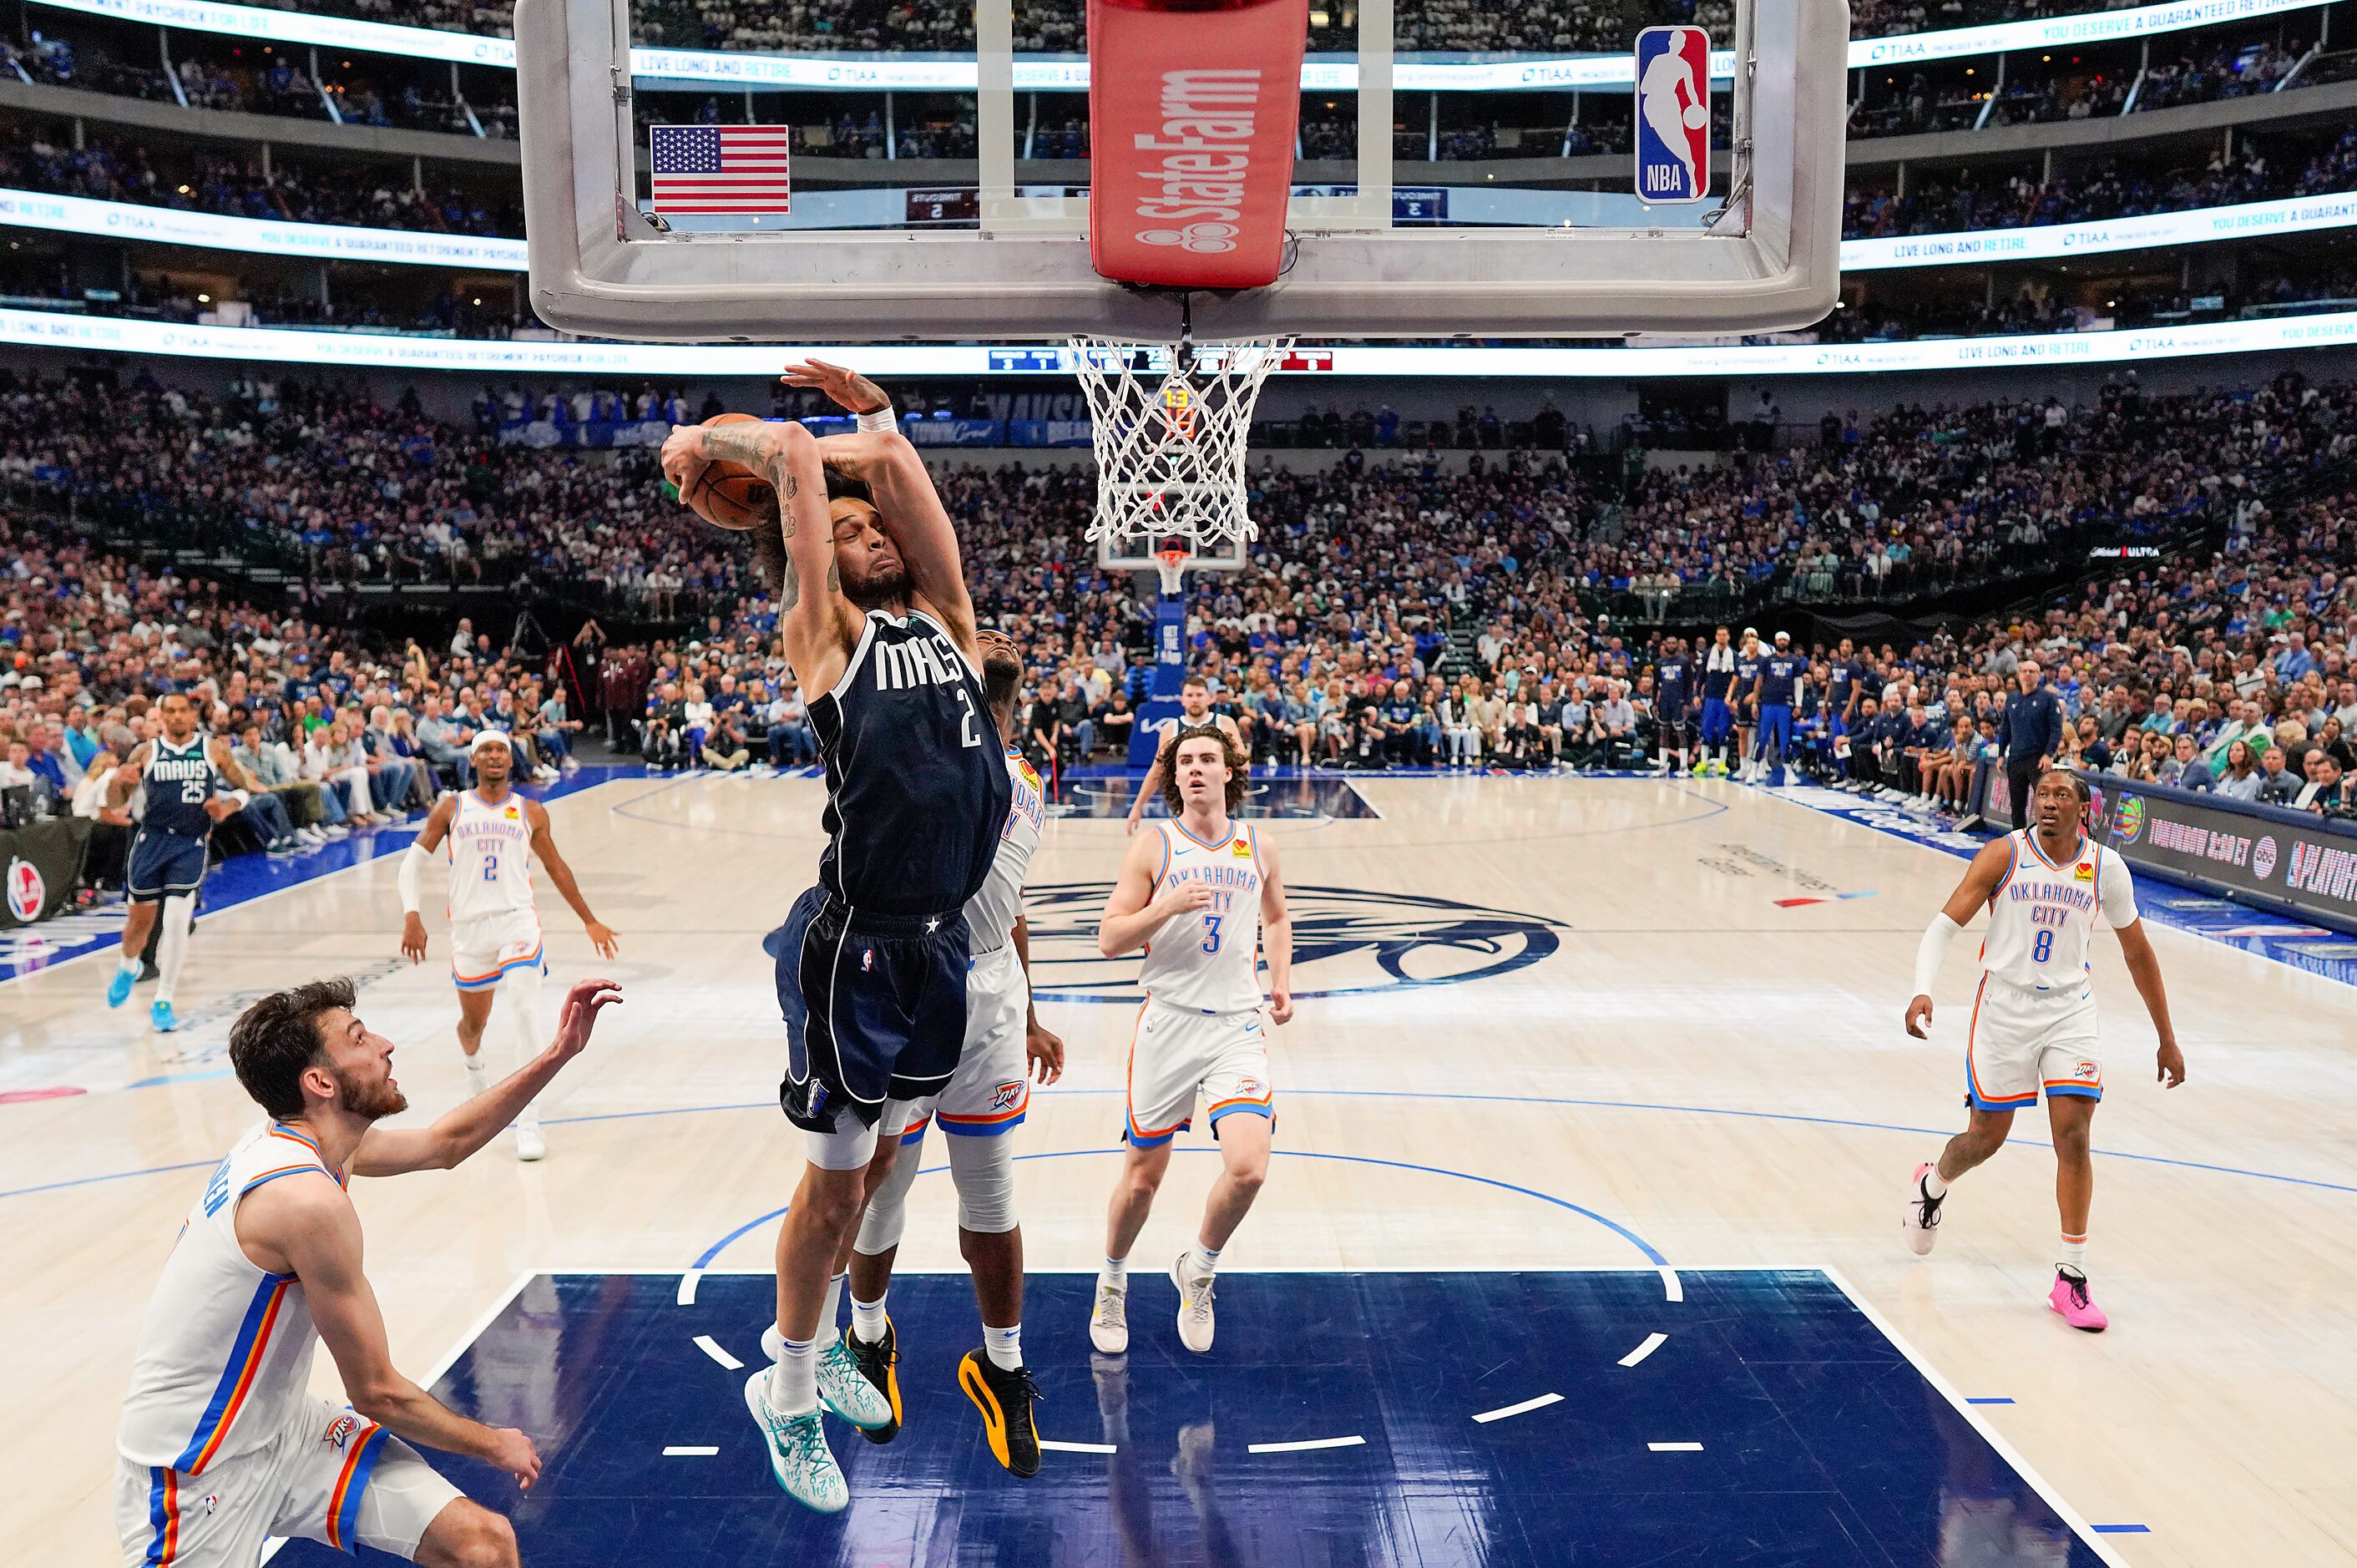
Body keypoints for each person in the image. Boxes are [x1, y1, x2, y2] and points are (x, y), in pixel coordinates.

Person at [662, 357, 1013, 1515]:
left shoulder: (953, 624)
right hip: (852, 950)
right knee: (828, 1191)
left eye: (876, 531)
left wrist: (879, 420)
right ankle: (791, 1386)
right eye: (849, 530)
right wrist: (717, 437)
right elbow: (801, 470)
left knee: (876, 1170)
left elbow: (903, 476)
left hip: (939, 948)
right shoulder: (822, 634)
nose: (871, 536)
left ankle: (841, 1353)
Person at [114, 973, 622, 1568]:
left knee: (481, 1547)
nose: (384, 1044)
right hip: (195, 1471)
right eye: (359, 1037)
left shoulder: (309, 1141)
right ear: (321, 1082)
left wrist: (558, 1052)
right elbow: (376, 1391)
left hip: (284, 1431)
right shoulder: (302, 1200)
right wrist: (494, 1444)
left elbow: (445, 1143)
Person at [824, 630, 1064, 1478]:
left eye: (1008, 637)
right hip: (910, 978)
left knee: (991, 1191)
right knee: (881, 1184)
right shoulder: (912, 752)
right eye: (978, 631)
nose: (998, 631)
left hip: (992, 993)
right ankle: (867, 1337)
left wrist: (1031, 1009)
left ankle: (1000, 1367)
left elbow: (1015, 899)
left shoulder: (1031, 779)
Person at [1902, 769, 2184, 1331]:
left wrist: (2166, 1036)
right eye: (2042, 795)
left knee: (2074, 1136)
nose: (2048, 803)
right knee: (1985, 1139)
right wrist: (1921, 988)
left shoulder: (2105, 868)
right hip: (2003, 1008)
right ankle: (1932, 1184)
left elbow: (2137, 953)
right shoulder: (2002, 855)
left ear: (2085, 808)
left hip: (2068, 1008)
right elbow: (1943, 926)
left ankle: (2070, 1277)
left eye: (2061, 795)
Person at [1090, 724, 1293, 1358]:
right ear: (1174, 778)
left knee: (1247, 1169)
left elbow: (1277, 917)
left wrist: (1280, 982)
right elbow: (1110, 939)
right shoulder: (1155, 847)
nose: (1198, 769)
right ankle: (1112, 1280)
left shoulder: (1258, 845)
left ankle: (1198, 1269)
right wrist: (1165, 907)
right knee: (1142, 1182)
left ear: (1229, 771)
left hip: (1235, 1023)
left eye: (1209, 759)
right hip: (1168, 1023)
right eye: (1186, 762)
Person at [397, 732, 619, 1162]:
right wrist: (411, 914)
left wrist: (589, 920)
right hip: (469, 929)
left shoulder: (530, 811)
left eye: (501, 750)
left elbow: (556, 867)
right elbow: (414, 861)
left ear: (511, 760)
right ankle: (474, 1068)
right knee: (472, 1027)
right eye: (486, 750)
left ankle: (528, 1120)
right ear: (474, 760)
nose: (494, 756)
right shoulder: (452, 807)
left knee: (523, 1007)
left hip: (517, 922)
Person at [104, 694, 255, 1032]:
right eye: (169, 711)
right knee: (138, 927)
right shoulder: (145, 752)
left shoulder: (213, 749)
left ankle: (164, 998)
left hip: (190, 843)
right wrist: (118, 783)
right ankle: (128, 967)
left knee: (175, 921)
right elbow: (117, 804)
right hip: (150, 841)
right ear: (160, 716)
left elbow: (243, 790)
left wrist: (227, 807)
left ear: (193, 715)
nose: (176, 717)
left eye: (183, 711)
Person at [1124, 676, 1243, 832]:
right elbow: (1157, 770)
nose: (1195, 700)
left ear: (1209, 699)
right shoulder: (1171, 729)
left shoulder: (1224, 723)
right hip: (1185, 806)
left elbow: (1243, 763)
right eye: (1190, 695)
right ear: (1182, 700)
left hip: (1221, 805)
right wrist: (1138, 806)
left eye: (1199, 695)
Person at [1996, 660, 2064, 827]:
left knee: (2043, 802)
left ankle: (2044, 838)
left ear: (2039, 675)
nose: (2028, 674)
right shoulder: (2012, 699)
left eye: (2032, 671)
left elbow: (2056, 729)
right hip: (2015, 758)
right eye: (2025, 671)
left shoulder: (2047, 698)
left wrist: (2049, 754)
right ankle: (2018, 838)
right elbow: (2005, 729)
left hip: (2037, 759)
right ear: (2019, 674)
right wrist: (2000, 754)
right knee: (2016, 805)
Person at [1752, 630, 1805, 784]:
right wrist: (1755, 702)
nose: (1781, 642)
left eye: (1784, 640)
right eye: (1779, 640)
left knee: (1785, 739)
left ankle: (1788, 771)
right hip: (1768, 704)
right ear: (1775, 642)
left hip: (1785, 705)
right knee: (1762, 737)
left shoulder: (1794, 661)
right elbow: (1759, 682)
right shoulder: (1767, 660)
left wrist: (1798, 704)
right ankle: (1754, 769)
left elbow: (1798, 683)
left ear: (1787, 643)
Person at [1697, 625, 1736, 776]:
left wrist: (1734, 698)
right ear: (1715, 637)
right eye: (1719, 635)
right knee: (1706, 729)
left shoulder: (1734, 655)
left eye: (1724, 635)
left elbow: (1736, 679)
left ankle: (1722, 763)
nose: (1721, 637)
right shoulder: (1708, 654)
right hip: (1710, 697)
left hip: (1725, 698)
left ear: (1728, 637)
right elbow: (1701, 675)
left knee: (1723, 729)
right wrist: (1696, 694)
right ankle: (1704, 762)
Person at [1732, 630, 1764, 782]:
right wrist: (1730, 696)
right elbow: (1735, 680)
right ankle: (1744, 767)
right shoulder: (1740, 660)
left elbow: (1767, 682)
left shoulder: (1763, 661)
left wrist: (1755, 696)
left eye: (1754, 642)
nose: (1751, 644)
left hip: (1758, 702)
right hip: (1742, 702)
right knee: (1742, 733)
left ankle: (1760, 766)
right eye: (1749, 642)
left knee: (1759, 734)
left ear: (1757, 645)